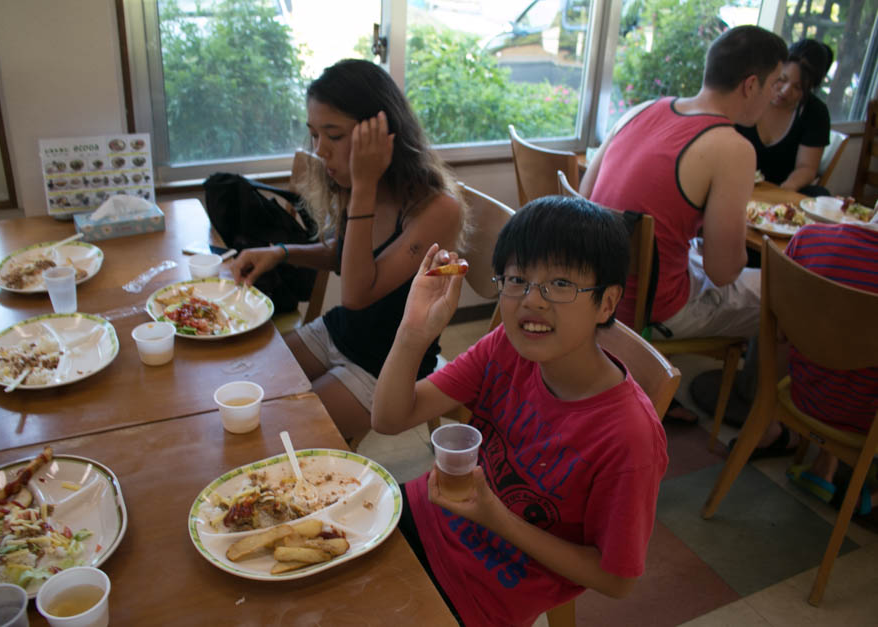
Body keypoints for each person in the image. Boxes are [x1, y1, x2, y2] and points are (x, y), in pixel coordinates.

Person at [371, 197, 668, 627]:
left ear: (606, 303)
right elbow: (390, 419)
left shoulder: (629, 436)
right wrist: (413, 333)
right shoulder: (505, 349)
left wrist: (498, 519)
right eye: (517, 280)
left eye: (561, 284)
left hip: (478, 594)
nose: (534, 301)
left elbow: (617, 580)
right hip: (418, 514)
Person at [231, 59, 465, 442]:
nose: (320, 150)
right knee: (249, 381)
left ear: (382, 133)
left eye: (334, 135)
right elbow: (348, 256)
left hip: (387, 364)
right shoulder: (365, 187)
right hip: (341, 331)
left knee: (276, 433)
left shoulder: (437, 208)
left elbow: (357, 293)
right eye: (314, 135)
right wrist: (282, 252)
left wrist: (363, 186)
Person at [580, 25, 787, 423]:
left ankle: (650, 389)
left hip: (602, 287)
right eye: (775, 83)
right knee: (789, 293)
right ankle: (761, 421)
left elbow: (586, 197)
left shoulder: (643, 109)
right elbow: (722, 272)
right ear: (750, 85)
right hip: (655, 305)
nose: (776, 95)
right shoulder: (732, 148)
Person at [761, 222, 878, 525]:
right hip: (866, 424)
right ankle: (870, 497)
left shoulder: (809, 238)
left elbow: (782, 334)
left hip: (807, 394)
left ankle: (823, 466)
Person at [736, 39, 834, 196]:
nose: (786, 91)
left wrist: (784, 190)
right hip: (733, 179)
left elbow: (807, 167)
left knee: (820, 193)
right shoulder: (751, 91)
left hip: (780, 187)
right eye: (782, 79)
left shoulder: (816, 112)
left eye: (798, 87)